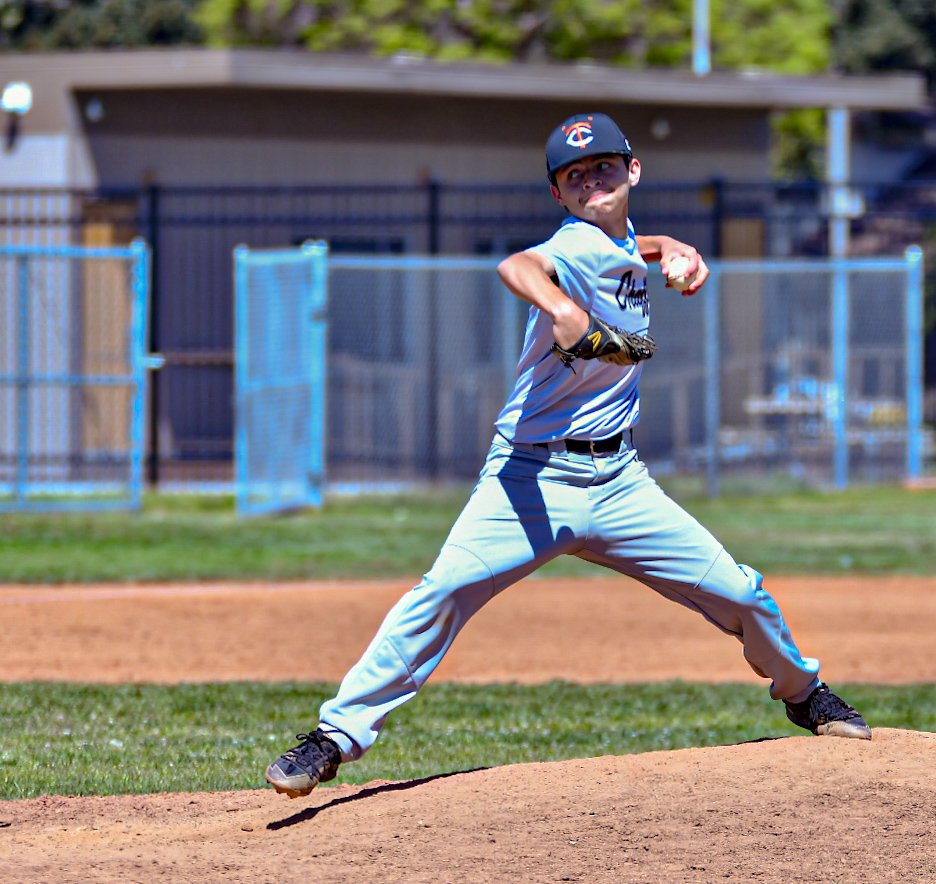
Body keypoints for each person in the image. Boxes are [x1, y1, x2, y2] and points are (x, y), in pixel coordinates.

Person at [266, 112, 871, 799]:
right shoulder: (574, 246)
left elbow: (632, 248)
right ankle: (334, 737)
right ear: (559, 195)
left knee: (738, 591)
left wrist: (675, 249)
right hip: (529, 478)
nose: (591, 181)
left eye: (603, 167)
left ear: (633, 171)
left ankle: (805, 694)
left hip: (619, 482)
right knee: (438, 593)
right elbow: (517, 264)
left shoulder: (624, 244)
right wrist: (559, 307)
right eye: (573, 176)